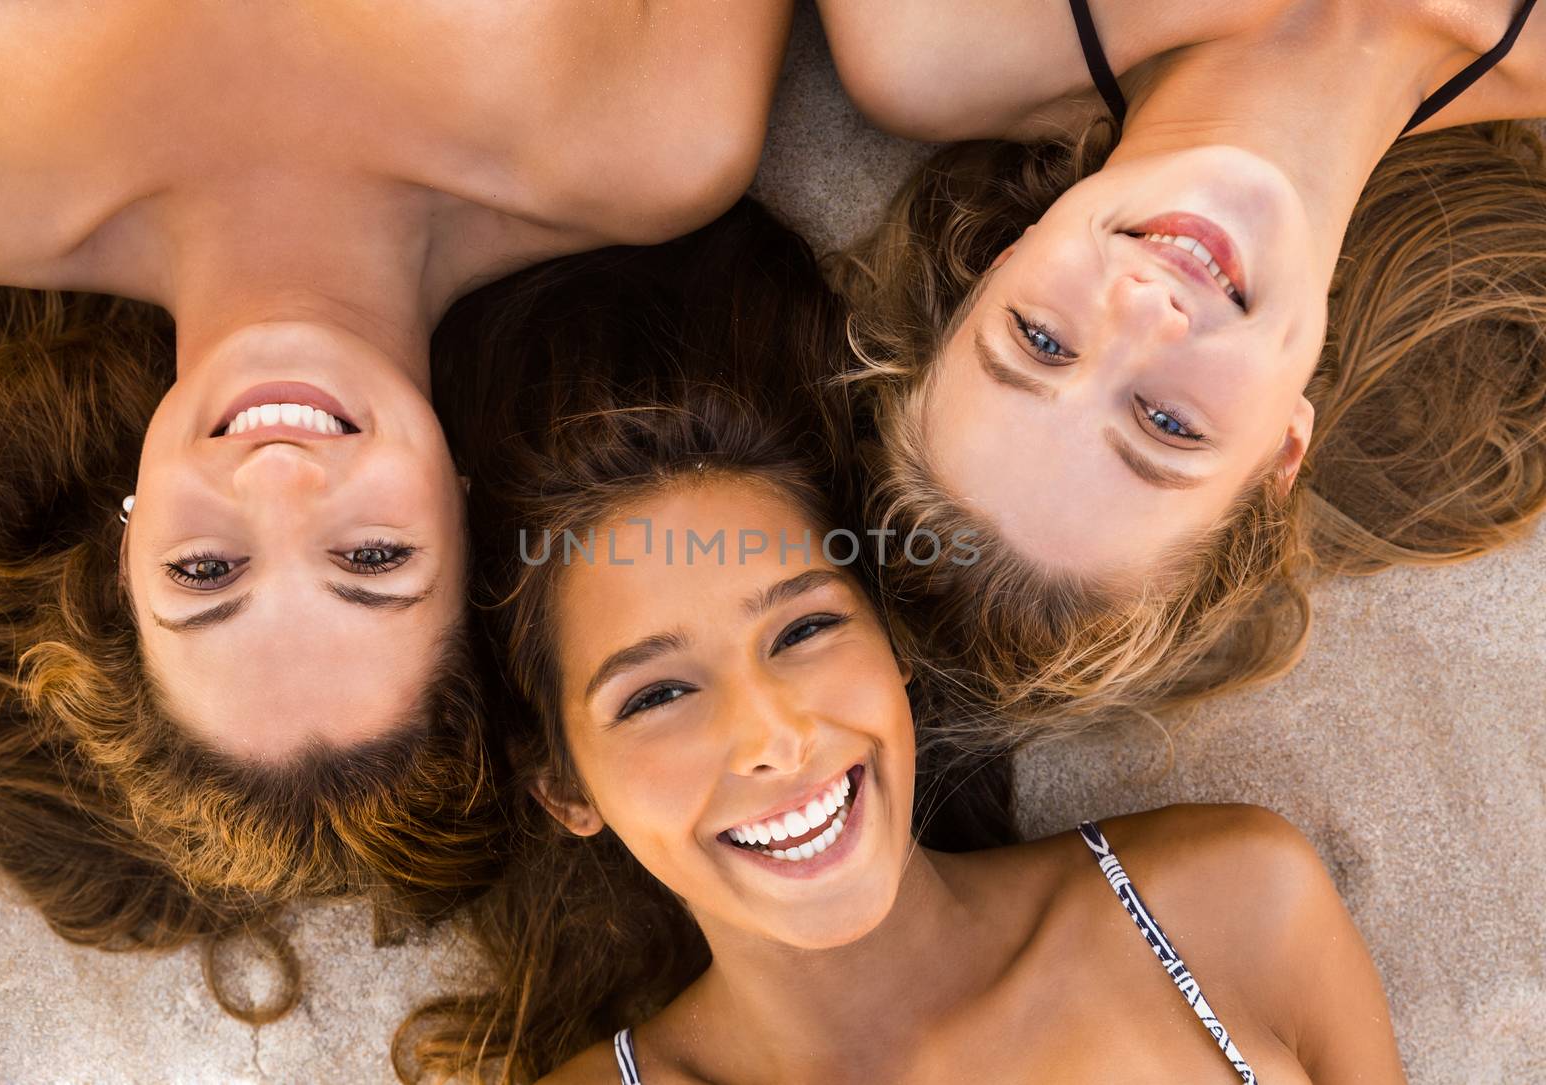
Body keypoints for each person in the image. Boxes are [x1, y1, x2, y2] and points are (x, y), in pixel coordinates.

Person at [391, 199, 1401, 1085]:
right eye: (655, 694)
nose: (773, 733)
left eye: (804, 627)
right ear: (565, 783)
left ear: (893, 640)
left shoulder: (1238, 909)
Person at [0, 2, 791, 1002]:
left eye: (207, 570)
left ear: (123, 542)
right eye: (373, 558)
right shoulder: (655, 136)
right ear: (468, 520)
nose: (279, 477)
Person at [812, 0, 1546, 732]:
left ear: (1003, 265)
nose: (1144, 311)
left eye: (1040, 340)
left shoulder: (934, 42)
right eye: (1167, 422)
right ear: (1283, 451)